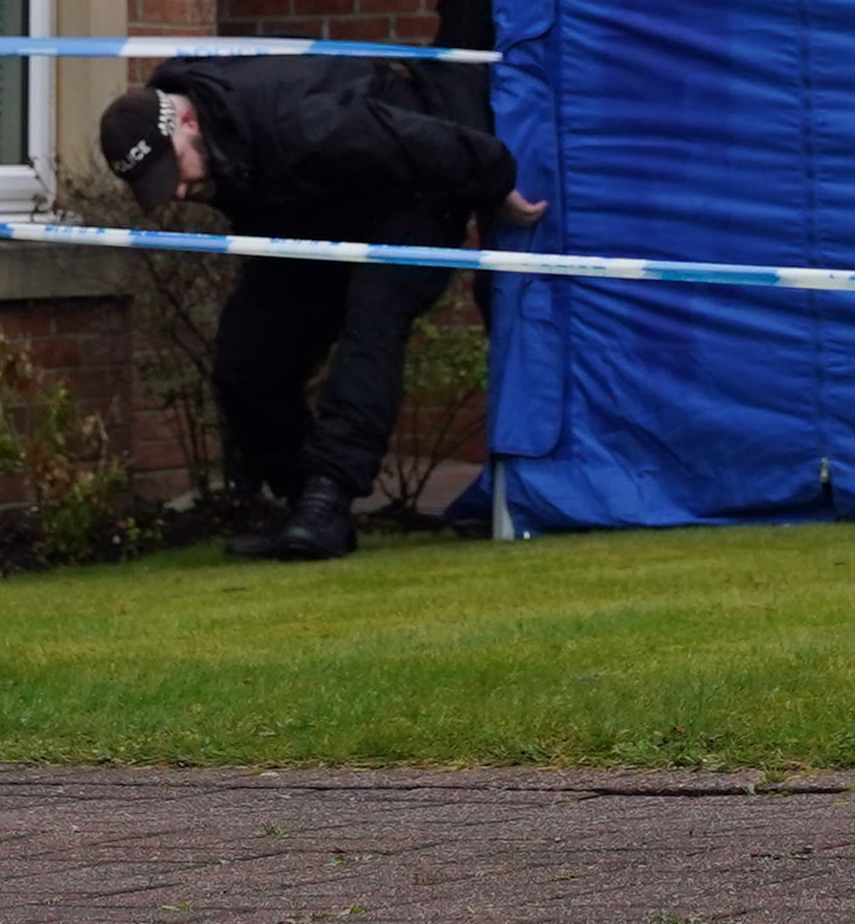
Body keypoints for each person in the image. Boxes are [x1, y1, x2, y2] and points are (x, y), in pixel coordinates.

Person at [103, 55, 545, 560]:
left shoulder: (300, 123)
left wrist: (495, 179)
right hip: (318, 210)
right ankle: (309, 511)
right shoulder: (209, 138)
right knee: (246, 364)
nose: (178, 191)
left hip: (414, 189)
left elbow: (417, 140)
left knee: (373, 320)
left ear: (187, 120)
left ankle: (328, 498)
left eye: (173, 169)